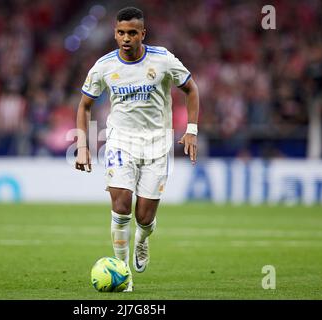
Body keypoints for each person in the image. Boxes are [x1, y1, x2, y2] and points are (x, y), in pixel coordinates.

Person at [75, 7, 199, 292]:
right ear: (115, 34)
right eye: (121, 33)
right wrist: (82, 146)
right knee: (120, 206)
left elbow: (192, 89)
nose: (126, 38)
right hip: (120, 143)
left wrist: (191, 130)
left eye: (132, 33)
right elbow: (84, 105)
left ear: (143, 33)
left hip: (156, 146)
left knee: (144, 217)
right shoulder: (104, 66)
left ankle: (142, 241)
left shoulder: (163, 60)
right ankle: (124, 274)